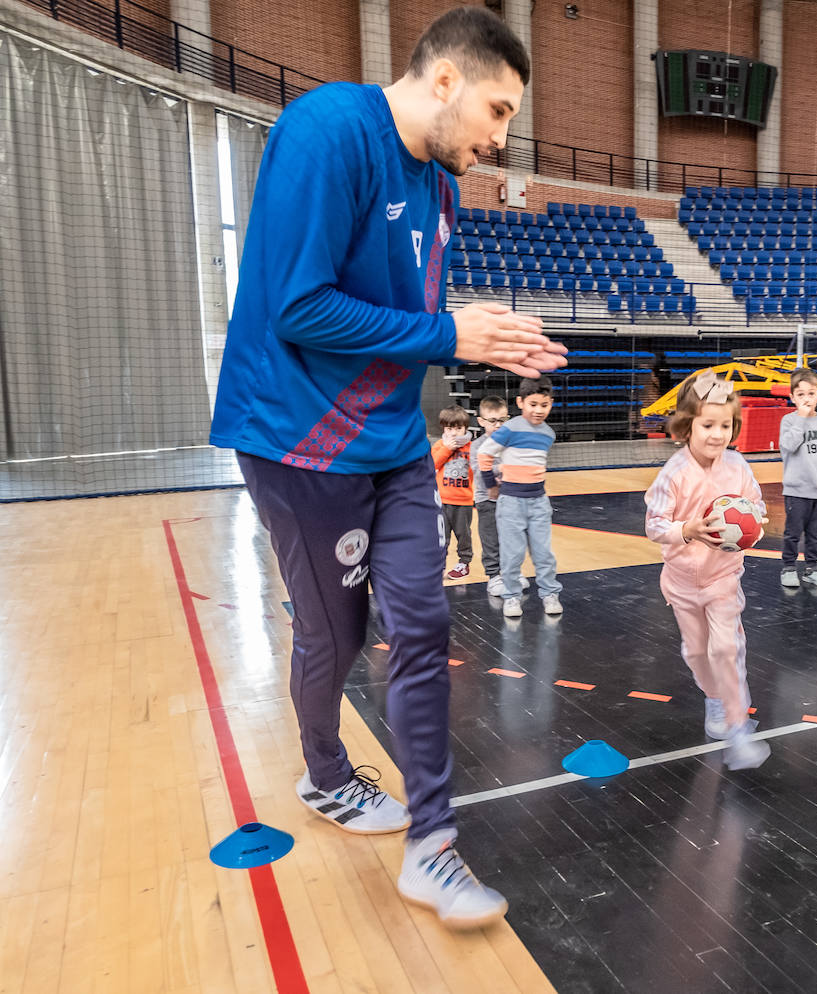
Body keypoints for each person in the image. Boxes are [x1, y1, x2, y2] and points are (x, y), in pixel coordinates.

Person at [208, 7, 566, 928]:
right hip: (299, 439)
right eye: (495, 111)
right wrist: (449, 333)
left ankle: (433, 850)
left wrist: (484, 338)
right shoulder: (326, 131)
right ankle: (325, 772)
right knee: (338, 634)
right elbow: (296, 305)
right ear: (444, 81)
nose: (498, 138)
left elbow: (406, 316)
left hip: (394, 439)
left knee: (422, 618)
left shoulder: (438, 183)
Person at [644, 372, 771, 770]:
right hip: (681, 582)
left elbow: (757, 507)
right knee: (697, 651)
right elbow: (653, 526)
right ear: (686, 427)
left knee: (725, 648)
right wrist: (688, 529)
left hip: (722, 576)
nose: (718, 434)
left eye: (726, 425)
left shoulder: (738, 467)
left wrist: (756, 526)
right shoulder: (674, 474)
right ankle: (714, 699)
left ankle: (738, 727)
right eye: (708, 425)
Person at [478, 376, 562, 617]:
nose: (538, 410)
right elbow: (485, 453)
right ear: (520, 402)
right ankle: (512, 597)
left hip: (538, 501)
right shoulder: (510, 428)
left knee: (544, 553)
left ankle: (549, 593)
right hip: (511, 502)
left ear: (551, 404)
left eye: (544, 405)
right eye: (532, 404)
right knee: (512, 554)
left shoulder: (548, 434)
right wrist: (490, 484)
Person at [778, 368, 817, 589]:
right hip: (797, 490)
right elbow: (789, 446)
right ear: (792, 397)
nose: (806, 399)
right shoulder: (789, 421)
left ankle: (813, 568)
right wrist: (801, 419)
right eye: (800, 394)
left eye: (811, 393)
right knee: (793, 533)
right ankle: (789, 568)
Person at [470, 395, 528, 596]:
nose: (498, 425)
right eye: (492, 421)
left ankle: (513, 572)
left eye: (502, 420)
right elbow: (478, 470)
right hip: (487, 500)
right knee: (491, 539)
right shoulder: (477, 446)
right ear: (481, 421)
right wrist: (500, 468)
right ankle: (494, 576)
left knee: (513, 537)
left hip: (511, 498)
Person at [433, 406, 475, 579]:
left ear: (465, 428)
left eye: (458, 428)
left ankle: (464, 563)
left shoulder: (472, 447)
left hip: (463, 502)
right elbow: (432, 465)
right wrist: (447, 449)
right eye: (450, 428)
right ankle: (438, 566)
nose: (454, 433)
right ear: (444, 428)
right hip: (441, 501)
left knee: (463, 535)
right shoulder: (439, 445)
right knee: (440, 536)